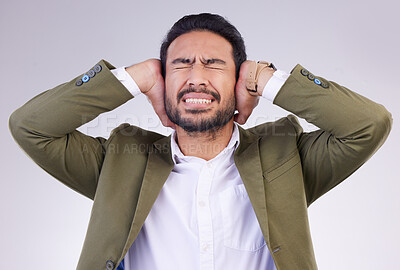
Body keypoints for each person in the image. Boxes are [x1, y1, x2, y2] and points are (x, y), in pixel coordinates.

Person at [9, 13, 392, 270]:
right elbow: (31, 126)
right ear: (163, 78)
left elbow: (368, 124)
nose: (196, 77)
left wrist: (265, 77)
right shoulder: (119, 162)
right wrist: (136, 76)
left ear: (239, 78)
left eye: (214, 64)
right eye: (180, 64)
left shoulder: (285, 156)